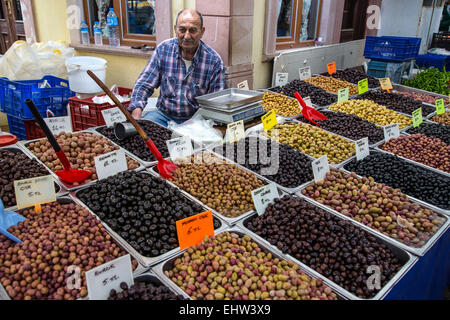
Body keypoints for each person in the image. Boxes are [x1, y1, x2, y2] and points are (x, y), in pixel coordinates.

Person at [128, 9, 226, 127]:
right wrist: (136, 111)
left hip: (195, 119)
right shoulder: (163, 50)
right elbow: (144, 84)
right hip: (163, 116)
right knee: (144, 132)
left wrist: (193, 123)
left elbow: (216, 105)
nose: (187, 36)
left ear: (202, 32)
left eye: (193, 30)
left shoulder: (214, 61)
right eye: (182, 29)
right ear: (175, 29)